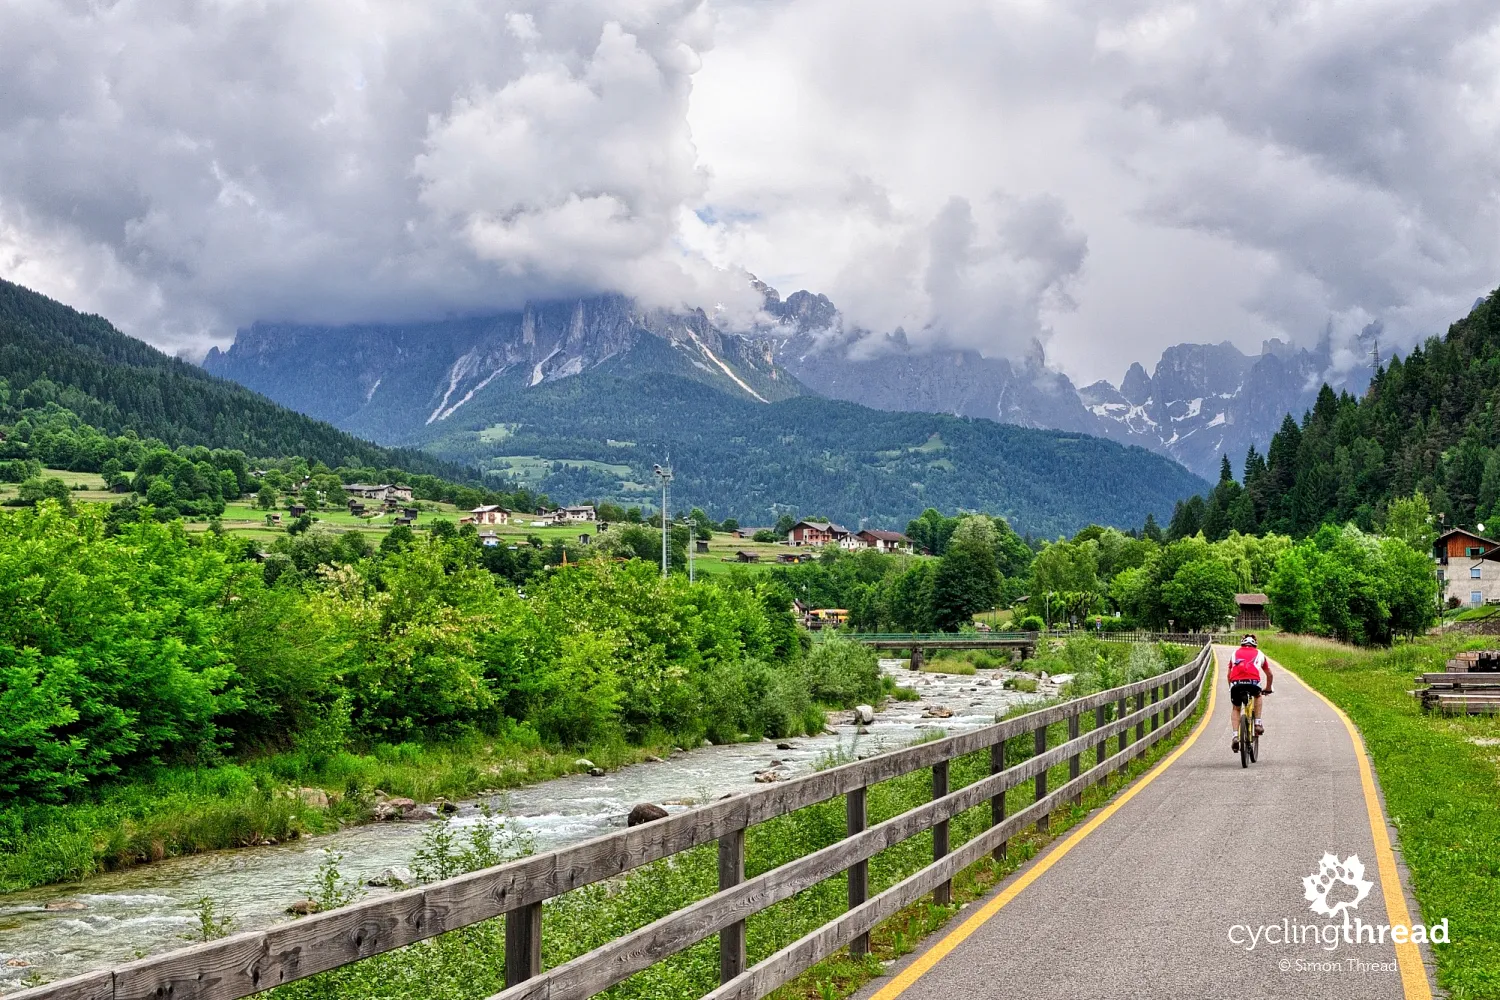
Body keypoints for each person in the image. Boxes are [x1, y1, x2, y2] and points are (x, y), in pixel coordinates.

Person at [1228, 634, 1273, 753]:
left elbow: (1229, 674)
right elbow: (1269, 674)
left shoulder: (1234, 653)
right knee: (1258, 695)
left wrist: (1231, 688)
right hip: (1253, 683)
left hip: (1236, 684)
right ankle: (1258, 723)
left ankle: (1235, 736)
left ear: (1242, 643)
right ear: (1255, 644)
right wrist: (1268, 688)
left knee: (1236, 708)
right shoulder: (1259, 654)